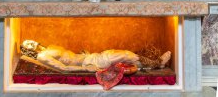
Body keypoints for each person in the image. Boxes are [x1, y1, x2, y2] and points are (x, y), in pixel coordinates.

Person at [21, 40, 171, 73]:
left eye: (30, 41)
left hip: (90, 57)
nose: (32, 42)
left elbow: (68, 56)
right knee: (125, 54)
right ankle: (157, 63)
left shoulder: (48, 48)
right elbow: (64, 68)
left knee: (125, 55)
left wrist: (82, 55)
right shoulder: (42, 56)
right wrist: (88, 69)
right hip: (91, 62)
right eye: (28, 44)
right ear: (30, 51)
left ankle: (154, 64)